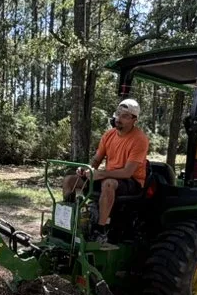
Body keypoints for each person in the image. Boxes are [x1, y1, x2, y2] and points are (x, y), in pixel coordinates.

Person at [62, 98, 149, 242]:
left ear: (134, 119)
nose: (119, 118)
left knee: (108, 183)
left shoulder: (139, 139)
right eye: (118, 113)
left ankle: (100, 230)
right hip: (109, 175)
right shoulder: (109, 135)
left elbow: (127, 172)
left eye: (124, 116)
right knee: (69, 180)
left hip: (132, 181)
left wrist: (101, 173)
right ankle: (69, 219)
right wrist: (86, 169)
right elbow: (96, 159)